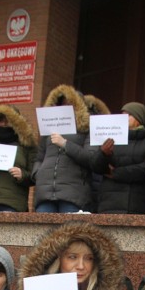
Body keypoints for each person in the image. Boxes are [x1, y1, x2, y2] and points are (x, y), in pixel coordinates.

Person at [31, 85, 100, 213]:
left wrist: (65, 144)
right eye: (63, 104)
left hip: (73, 194)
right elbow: (39, 157)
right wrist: (38, 173)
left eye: (70, 104)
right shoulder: (48, 131)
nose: (66, 108)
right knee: (42, 232)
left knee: (70, 232)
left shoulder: (88, 129)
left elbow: (91, 158)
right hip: (45, 192)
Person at [93, 101, 145, 214]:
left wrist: (117, 173)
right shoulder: (111, 136)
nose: (124, 118)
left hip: (136, 203)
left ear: (139, 118)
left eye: (129, 115)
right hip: (109, 202)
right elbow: (97, 167)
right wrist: (103, 153)